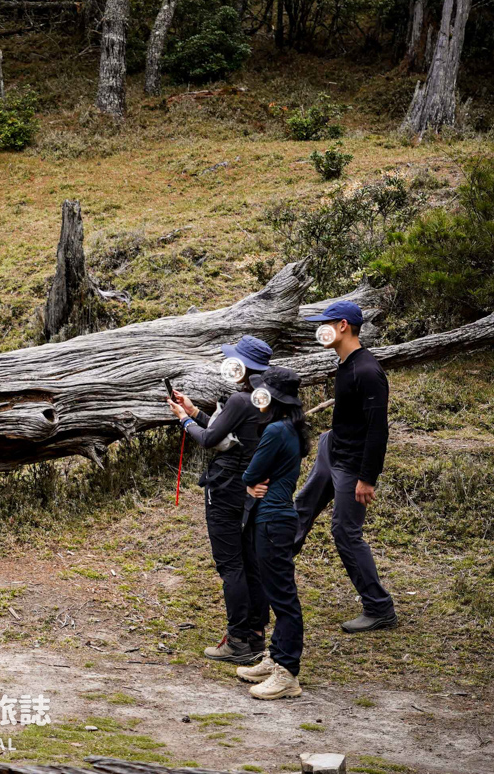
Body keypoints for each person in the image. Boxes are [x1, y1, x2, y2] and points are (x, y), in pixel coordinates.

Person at [167, 335, 272, 665]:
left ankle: (237, 641)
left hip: (226, 488)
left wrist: (184, 419)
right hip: (253, 487)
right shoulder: (267, 398)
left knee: (231, 565)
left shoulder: (240, 400)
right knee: (251, 562)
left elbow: (211, 439)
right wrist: (194, 411)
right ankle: (255, 636)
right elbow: (230, 436)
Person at [294, 300, 397, 633]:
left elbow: (378, 430)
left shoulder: (367, 371)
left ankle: (379, 608)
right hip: (333, 448)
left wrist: (367, 478)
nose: (320, 329)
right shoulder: (345, 363)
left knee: (345, 531)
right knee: (302, 508)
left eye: (325, 323)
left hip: (352, 464)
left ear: (342, 326)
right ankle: (270, 569)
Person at [236, 366, 310, 700]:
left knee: (282, 596)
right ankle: (276, 658)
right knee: (275, 590)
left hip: (272, 520)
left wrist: (248, 482)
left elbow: (251, 473)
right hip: (275, 519)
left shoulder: (276, 431)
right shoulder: (289, 428)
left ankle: (287, 672)